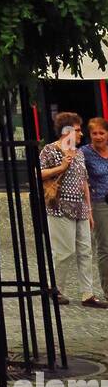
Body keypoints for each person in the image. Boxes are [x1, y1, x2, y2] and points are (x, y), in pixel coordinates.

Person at [40, 112, 106, 308]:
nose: (81, 134)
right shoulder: (50, 150)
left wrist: (89, 209)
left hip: (80, 208)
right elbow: (39, 172)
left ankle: (88, 294)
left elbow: (84, 181)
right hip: (59, 207)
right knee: (64, 251)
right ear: (66, 131)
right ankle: (56, 289)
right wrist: (60, 167)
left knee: (85, 251)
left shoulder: (78, 153)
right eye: (77, 130)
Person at [81, 116, 108, 304]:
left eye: (102, 133)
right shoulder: (85, 153)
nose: (98, 137)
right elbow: (81, 179)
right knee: (105, 247)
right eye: (94, 133)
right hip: (100, 203)